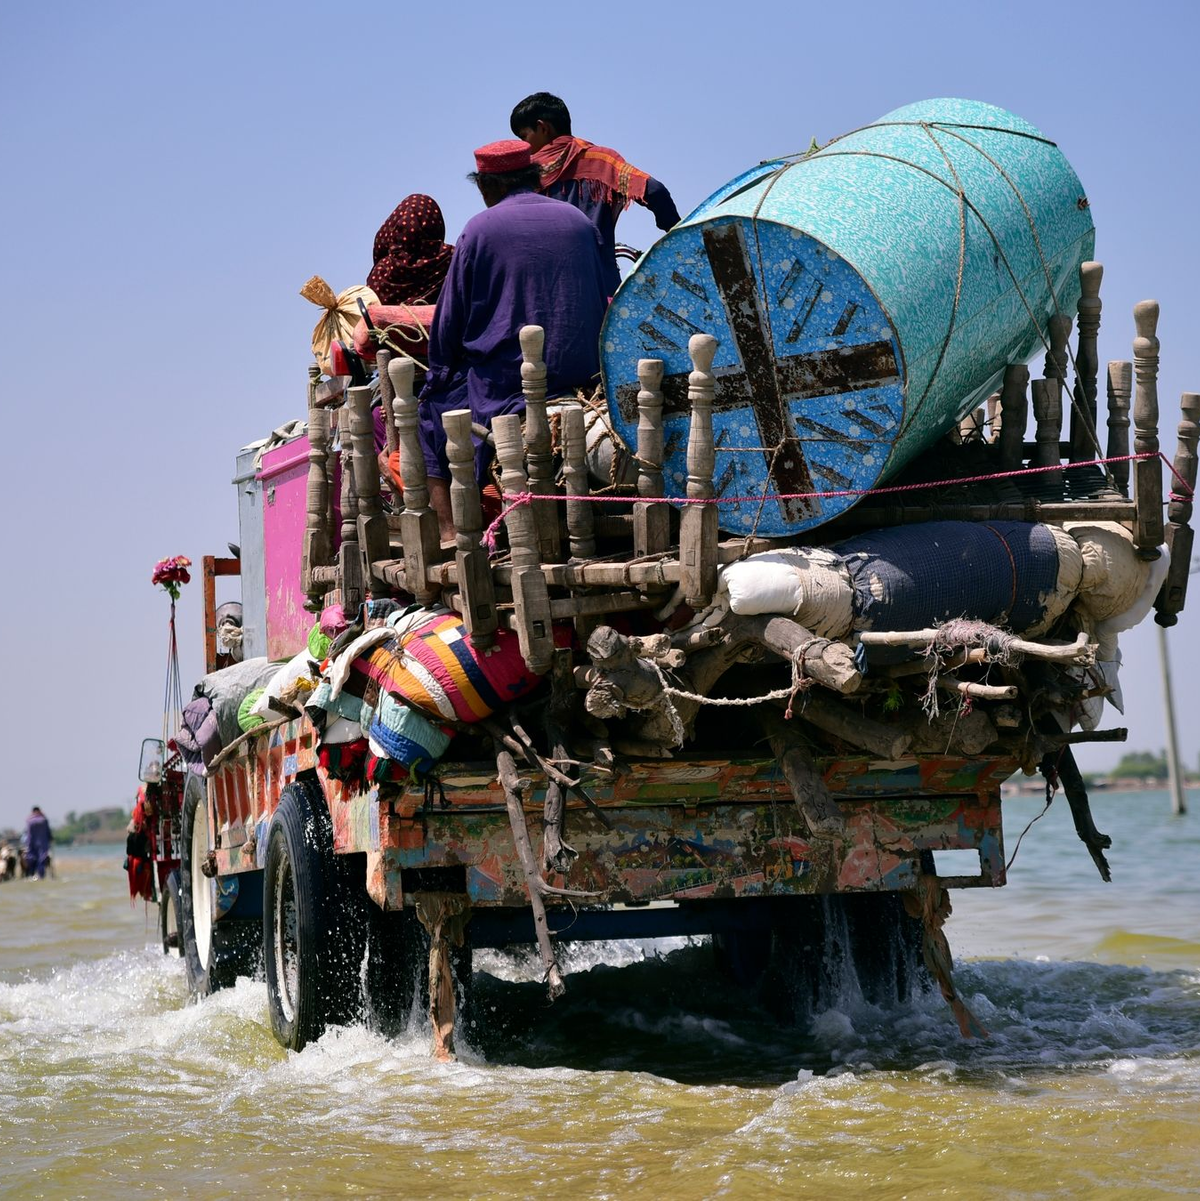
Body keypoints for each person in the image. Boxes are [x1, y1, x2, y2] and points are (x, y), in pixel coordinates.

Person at [419, 139, 609, 540]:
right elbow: (605, 295)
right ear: (534, 177)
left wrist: (441, 374)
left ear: (485, 185)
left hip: (508, 387)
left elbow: (448, 327)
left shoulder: (479, 230)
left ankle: (452, 532)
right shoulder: (579, 220)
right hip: (588, 379)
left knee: (430, 408)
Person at [510, 92, 681, 296]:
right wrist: (676, 236)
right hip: (598, 285)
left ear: (543, 127)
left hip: (543, 289)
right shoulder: (601, 160)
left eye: (524, 137)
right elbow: (654, 190)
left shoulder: (524, 176)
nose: (524, 147)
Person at [24, 806, 52, 880]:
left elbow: (28, 833)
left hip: (31, 843)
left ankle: (32, 874)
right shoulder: (44, 820)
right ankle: (41, 875)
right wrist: (50, 838)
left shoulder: (29, 820)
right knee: (42, 858)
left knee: (32, 858)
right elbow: (48, 831)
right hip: (43, 843)